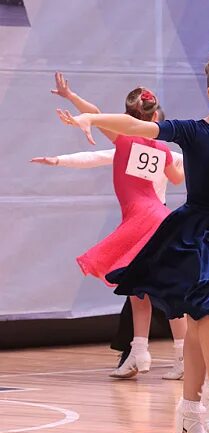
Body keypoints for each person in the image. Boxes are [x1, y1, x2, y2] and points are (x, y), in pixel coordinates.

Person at [57, 41, 209, 433]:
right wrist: (91, 116)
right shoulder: (190, 130)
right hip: (195, 234)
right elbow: (138, 127)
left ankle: (191, 410)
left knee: (206, 325)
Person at [33, 73, 186, 378]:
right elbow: (178, 179)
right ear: (155, 117)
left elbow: (97, 117)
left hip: (143, 219)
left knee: (154, 290)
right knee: (139, 290)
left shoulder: (125, 140)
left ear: (126, 118)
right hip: (159, 217)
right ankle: (141, 352)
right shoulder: (163, 150)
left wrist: (72, 99)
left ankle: (175, 356)